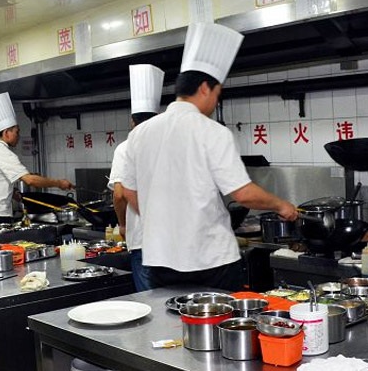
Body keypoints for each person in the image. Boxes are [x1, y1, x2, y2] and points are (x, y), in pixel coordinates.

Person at [122, 23, 298, 291]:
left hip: (159, 260)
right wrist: (281, 205)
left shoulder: (140, 133)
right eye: (217, 94)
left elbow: (128, 191)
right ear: (205, 88)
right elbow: (243, 194)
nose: (216, 102)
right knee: (222, 317)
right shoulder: (212, 131)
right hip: (210, 260)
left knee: (170, 316)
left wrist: (161, 220)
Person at [0, 92, 73, 228]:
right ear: (6, 133)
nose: (18, 136)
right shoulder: (4, 153)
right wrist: (59, 183)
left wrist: (12, 193)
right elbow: (30, 180)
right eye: (16, 132)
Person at [108, 64, 164, 292]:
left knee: (151, 300)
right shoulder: (171, 145)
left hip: (142, 239)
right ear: (157, 118)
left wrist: (122, 224)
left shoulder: (125, 148)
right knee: (177, 299)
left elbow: (119, 194)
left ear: (132, 121)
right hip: (174, 241)